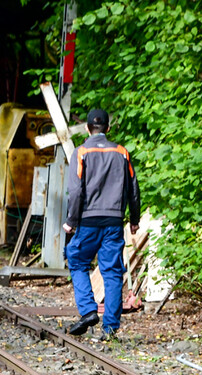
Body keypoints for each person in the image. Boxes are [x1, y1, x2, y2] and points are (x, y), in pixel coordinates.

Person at [63, 108, 141, 339]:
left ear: (87, 129)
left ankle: (88, 311)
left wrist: (71, 221)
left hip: (87, 220)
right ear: (108, 128)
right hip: (114, 222)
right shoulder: (122, 152)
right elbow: (133, 190)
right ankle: (110, 329)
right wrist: (134, 220)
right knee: (113, 272)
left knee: (76, 260)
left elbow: (75, 191)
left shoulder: (81, 152)